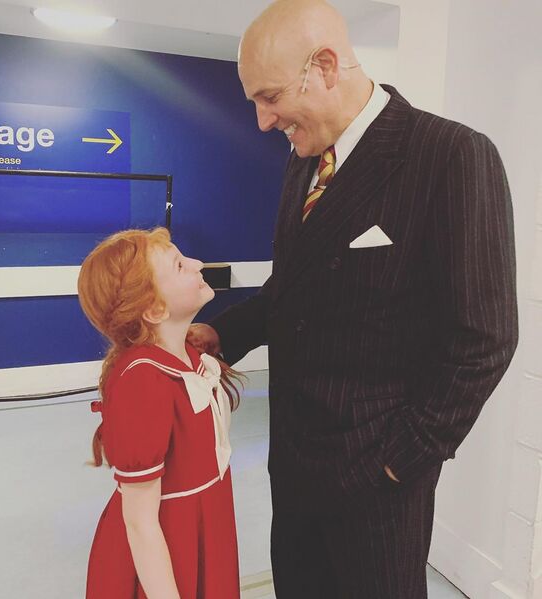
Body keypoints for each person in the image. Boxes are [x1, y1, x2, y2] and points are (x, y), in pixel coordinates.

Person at [187, 1, 519, 597]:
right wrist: (223, 334)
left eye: (270, 97)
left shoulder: (451, 155)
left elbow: (485, 337)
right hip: (294, 468)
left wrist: (402, 459)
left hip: (378, 486)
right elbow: (293, 289)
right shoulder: (304, 163)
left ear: (325, 66)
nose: (262, 121)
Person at [78, 228, 241, 599]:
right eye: (180, 265)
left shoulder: (189, 356)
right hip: (166, 552)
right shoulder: (143, 381)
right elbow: (140, 523)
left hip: (205, 526)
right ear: (154, 309)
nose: (198, 264)